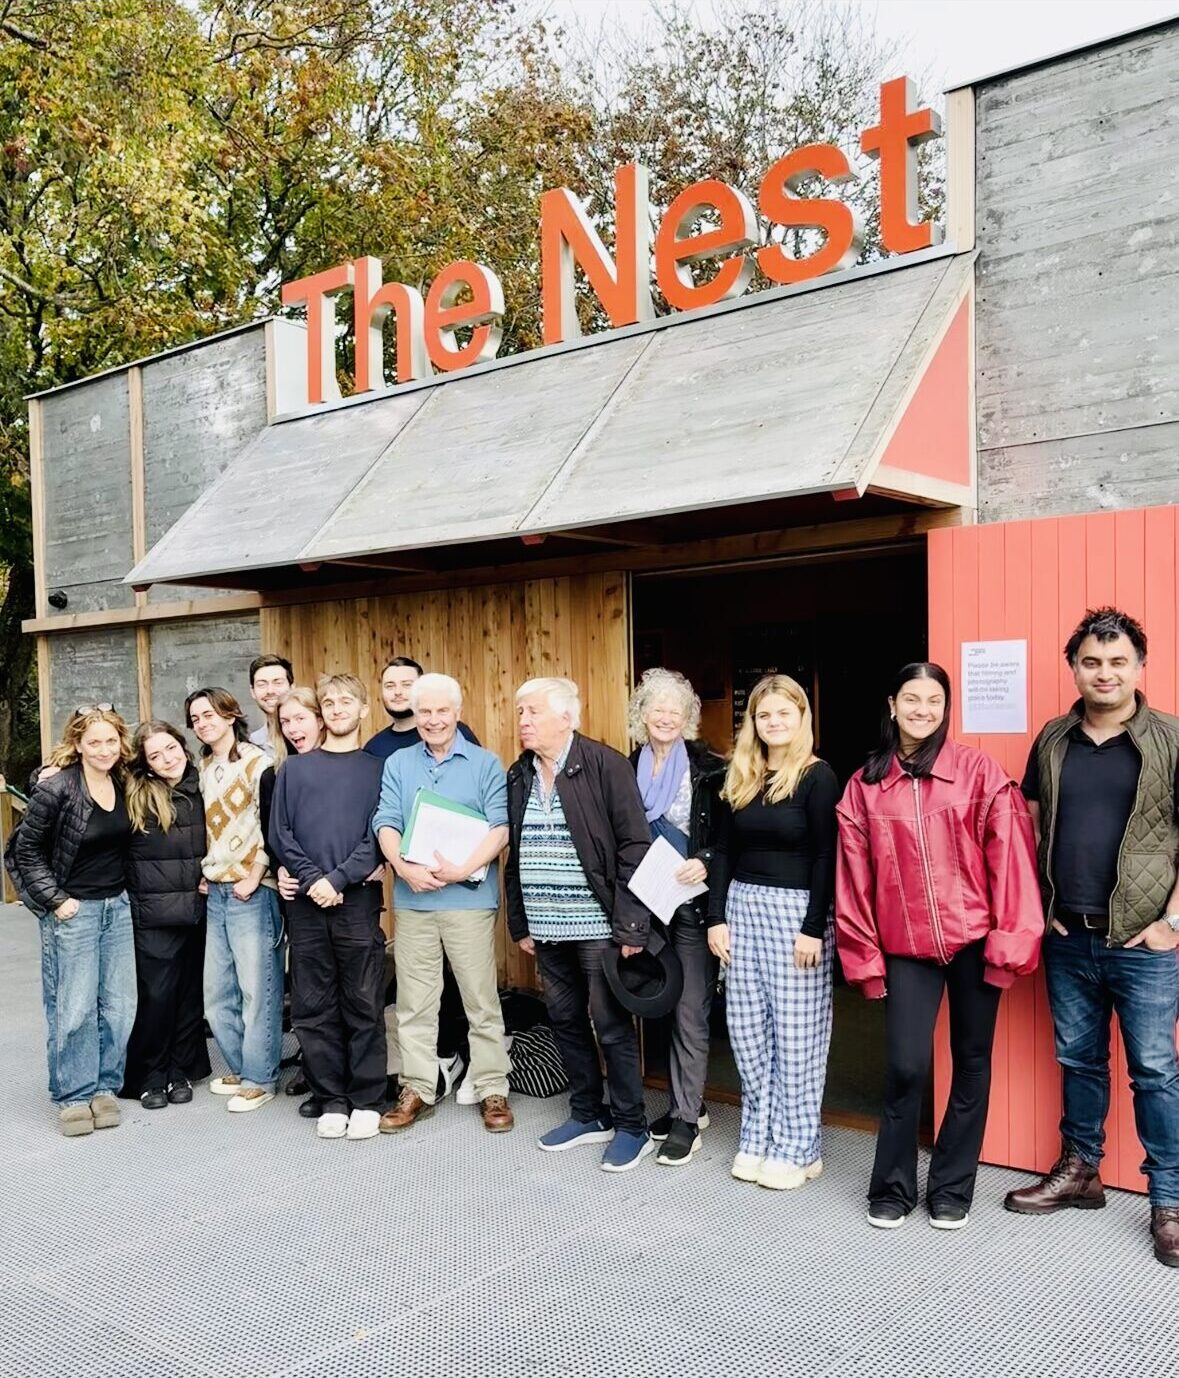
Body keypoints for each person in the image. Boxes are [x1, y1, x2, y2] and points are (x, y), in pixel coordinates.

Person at [836, 662, 1042, 1231]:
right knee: (905, 1066)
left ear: (945, 707)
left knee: (972, 1062)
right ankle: (893, 1187)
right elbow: (853, 882)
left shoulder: (976, 772)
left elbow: (1012, 863)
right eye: (911, 699)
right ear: (892, 704)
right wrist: (865, 959)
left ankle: (952, 1188)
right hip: (906, 949)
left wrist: (1009, 943)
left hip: (975, 942)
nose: (922, 710)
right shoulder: (865, 786)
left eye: (933, 700)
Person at [1004, 607, 1179, 1268]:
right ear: (1073, 667)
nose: (1103, 673)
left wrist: (1170, 924)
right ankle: (1080, 1172)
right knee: (1077, 1061)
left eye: (1116, 662)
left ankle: (1168, 1200)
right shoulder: (1052, 739)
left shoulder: (1169, 738)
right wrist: (1037, 904)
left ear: (1138, 666)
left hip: (1142, 945)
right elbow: (1030, 822)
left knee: (1155, 1072)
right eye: (1090, 662)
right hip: (1068, 938)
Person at [505, 677, 653, 1172]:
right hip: (547, 927)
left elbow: (635, 845)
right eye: (520, 712)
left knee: (610, 1025)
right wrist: (521, 922)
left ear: (567, 717)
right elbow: (516, 854)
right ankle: (590, 1114)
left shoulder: (604, 764)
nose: (523, 720)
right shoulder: (520, 773)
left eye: (533, 711)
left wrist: (631, 925)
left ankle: (633, 1126)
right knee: (565, 1021)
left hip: (598, 925)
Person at [707, 675, 839, 1190]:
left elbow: (828, 856)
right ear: (753, 723)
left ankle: (799, 1145)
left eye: (785, 712)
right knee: (746, 1031)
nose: (774, 722)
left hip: (795, 915)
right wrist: (717, 916)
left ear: (801, 717)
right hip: (742, 908)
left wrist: (813, 928)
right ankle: (758, 1134)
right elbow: (723, 851)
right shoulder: (742, 774)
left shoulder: (817, 776)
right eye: (765, 715)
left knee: (796, 1036)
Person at [373, 672, 514, 1134]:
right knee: (415, 1002)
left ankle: (493, 1087)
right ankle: (417, 1088)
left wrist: (462, 868)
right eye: (424, 711)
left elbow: (499, 826)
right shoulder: (397, 764)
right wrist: (403, 868)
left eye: (441, 711)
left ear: (457, 712)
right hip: (413, 903)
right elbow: (386, 821)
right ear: (414, 716)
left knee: (480, 999)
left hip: (469, 901)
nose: (432, 720)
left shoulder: (485, 763)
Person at [269, 674, 388, 1141]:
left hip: (356, 900)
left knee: (362, 1001)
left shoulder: (379, 769)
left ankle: (367, 1098)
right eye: (329, 703)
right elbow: (281, 833)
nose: (337, 709)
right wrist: (315, 879)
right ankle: (332, 1097)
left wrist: (338, 878)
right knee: (313, 1004)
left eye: (346, 702)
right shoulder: (295, 770)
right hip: (304, 901)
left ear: (362, 710)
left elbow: (379, 835)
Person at [13, 706, 137, 1137]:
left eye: (111, 741)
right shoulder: (59, 788)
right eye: (94, 742)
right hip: (74, 911)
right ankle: (73, 1095)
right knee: (75, 1007)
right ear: (78, 745)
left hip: (117, 907)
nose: (104, 749)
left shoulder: (124, 781)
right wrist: (56, 900)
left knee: (120, 1006)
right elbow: (22, 851)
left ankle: (104, 1088)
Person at [627, 667, 725, 1166]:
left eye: (675, 710)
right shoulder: (626, 767)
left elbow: (730, 837)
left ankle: (686, 1120)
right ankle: (688, 1102)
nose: (665, 717)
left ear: (688, 718)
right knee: (662, 1005)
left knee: (690, 1009)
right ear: (641, 715)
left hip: (692, 904)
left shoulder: (711, 767)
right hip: (648, 905)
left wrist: (705, 859)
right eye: (656, 708)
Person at [185, 686, 283, 1113]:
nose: (203, 723)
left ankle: (261, 1079)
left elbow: (271, 822)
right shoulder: (203, 769)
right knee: (216, 993)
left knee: (256, 989)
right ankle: (246, 1067)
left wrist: (257, 873)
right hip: (217, 890)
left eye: (209, 714)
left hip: (250, 889)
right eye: (195, 719)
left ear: (229, 715)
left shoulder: (259, 762)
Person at [121, 721, 212, 1108]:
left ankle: (181, 1070)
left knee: (189, 996)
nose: (166, 759)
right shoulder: (134, 793)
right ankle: (150, 1075)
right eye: (155, 755)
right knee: (155, 996)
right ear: (146, 764)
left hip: (196, 907)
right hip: (153, 910)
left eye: (170, 748)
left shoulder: (204, 784)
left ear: (183, 746)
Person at [364, 656, 480, 759]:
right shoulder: (374, 747)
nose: (397, 692)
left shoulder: (453, 732)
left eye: (406, 685)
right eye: (390, 686)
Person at [247, 654, 294, 759]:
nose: (270, 691)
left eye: (278, 683)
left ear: (292, 687)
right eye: (262, 685)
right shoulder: (253, 743)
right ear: (252, 692)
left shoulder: (308, 733)